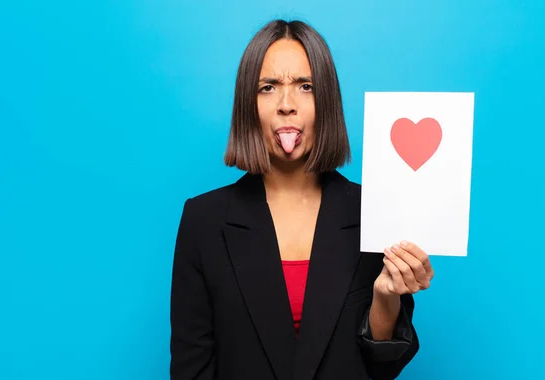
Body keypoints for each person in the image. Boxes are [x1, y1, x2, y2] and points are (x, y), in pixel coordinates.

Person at [170, 19, 435, 380]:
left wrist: (386, 297)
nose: (286, 104)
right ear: (248, 105)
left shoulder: (375, 211)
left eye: (305, 86)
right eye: (268, 87)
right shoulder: (203, 220)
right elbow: (191, 368)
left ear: (326, 101)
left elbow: (381, 366)